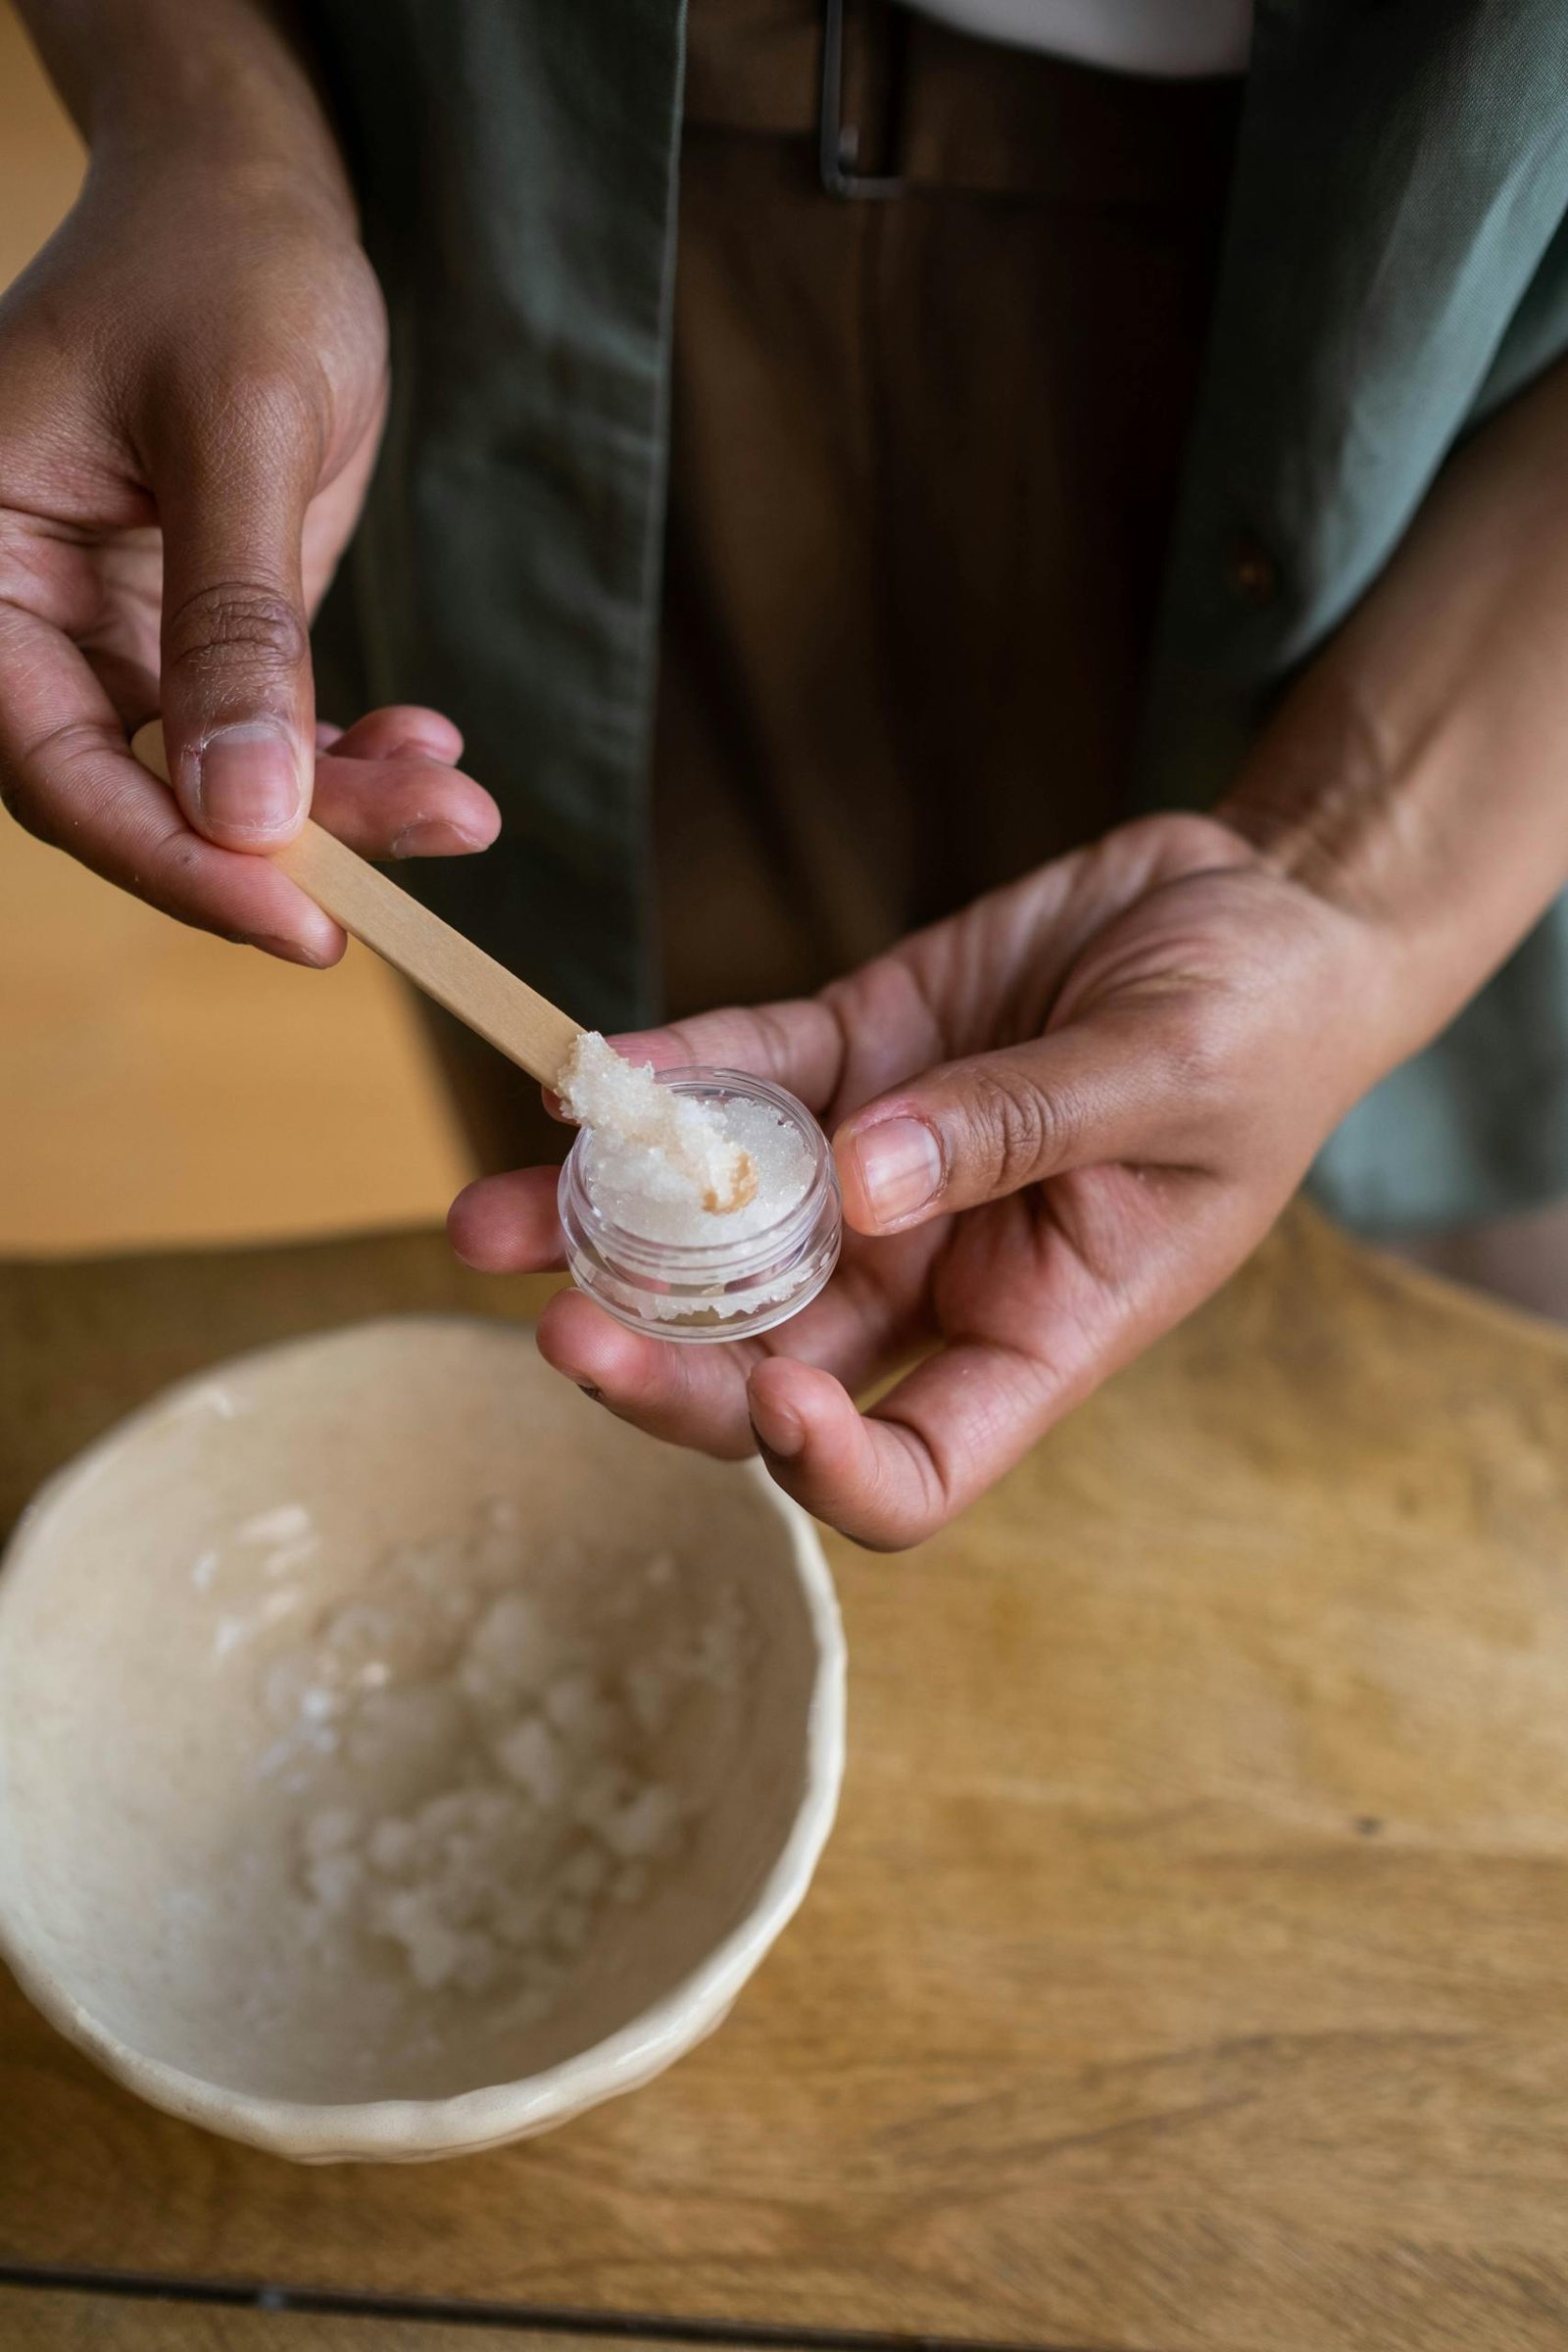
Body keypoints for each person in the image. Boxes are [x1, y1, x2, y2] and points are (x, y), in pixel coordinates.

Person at [7, 0, 1568, 1547]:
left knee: (1431, 1394)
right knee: (612, 1038)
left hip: (1450, 433)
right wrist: (208, 113)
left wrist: (1350, 890)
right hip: (545, 235)